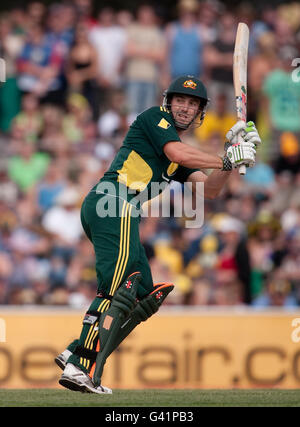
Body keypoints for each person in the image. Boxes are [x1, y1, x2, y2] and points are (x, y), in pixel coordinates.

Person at [55, 75, 261, 394]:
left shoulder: (177, 152)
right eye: (180, 99)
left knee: (145, 294)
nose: (185, 107)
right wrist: (224, 156)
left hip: (120, 209)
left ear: (199, 113)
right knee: (116, 288)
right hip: (113, 201)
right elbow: (178, 153)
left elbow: (210, 190)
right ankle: (80, 364)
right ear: (168, 101)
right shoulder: (155, 119)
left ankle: (76, 350)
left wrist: (231, 158)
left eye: (192, 103)